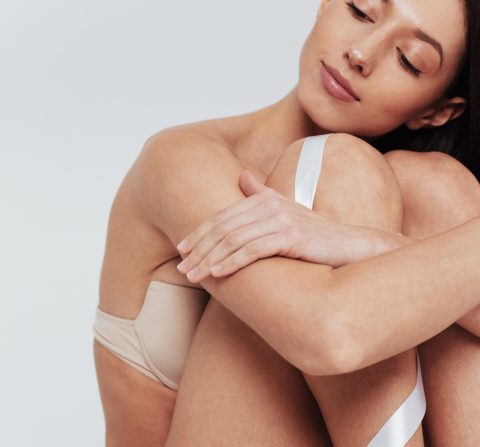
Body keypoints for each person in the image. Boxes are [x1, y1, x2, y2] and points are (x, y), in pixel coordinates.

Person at [94, 0, 480, 445]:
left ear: (436, 112)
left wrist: (362, 245)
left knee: (438, 184)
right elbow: (331, 336)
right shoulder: (181, 161)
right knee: (337, 165)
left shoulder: (417, 191)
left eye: (408, 59)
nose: (361, 54)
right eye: (361, 10)